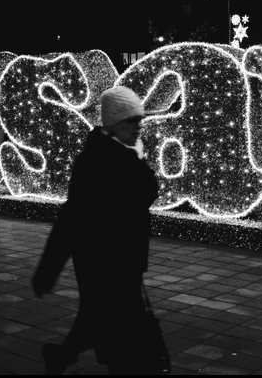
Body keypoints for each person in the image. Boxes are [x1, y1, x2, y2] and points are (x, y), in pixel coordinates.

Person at [32, 85, 160, 374]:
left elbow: (147, 193)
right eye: (132, 121)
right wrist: (48, 268)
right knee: (121, 332)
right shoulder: (96, 160)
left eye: (140, 120)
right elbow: (73, 216)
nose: (139, 126)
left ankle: (61, 357)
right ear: (114, 125)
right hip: (103, 262)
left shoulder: (126, 152)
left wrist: (137, 156)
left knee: (97, 321)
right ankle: (70, 357)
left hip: (122, 259)